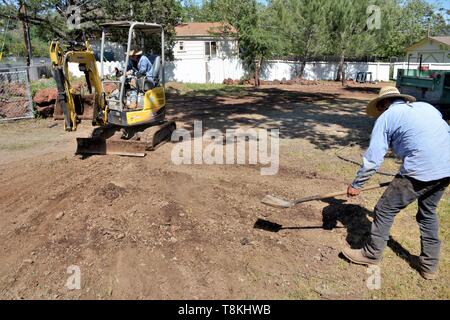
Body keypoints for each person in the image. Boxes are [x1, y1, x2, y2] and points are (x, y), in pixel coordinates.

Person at [342, 86, 450, 280]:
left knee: (384, 209)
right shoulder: (426, 107)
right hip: (446, 168)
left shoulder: (386, 117)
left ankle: (371, 254)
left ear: (383, 103)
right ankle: (429, 266)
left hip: (421, 169)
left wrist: (357, 184)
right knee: (427, 213)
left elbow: (374, 159)